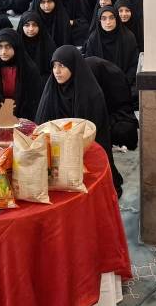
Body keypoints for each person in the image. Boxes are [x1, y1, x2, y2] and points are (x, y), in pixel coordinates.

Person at [36, 46, 122, 196]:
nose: (57, 71)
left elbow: (95, 135)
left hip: (85, 150)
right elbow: (42, 125)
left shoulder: (92, 94)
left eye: (62, 66)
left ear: (74, 66)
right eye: (54, 66)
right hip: (55, 152)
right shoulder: (51, 90)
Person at [0, 29, 41, 121]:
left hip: (24, 115)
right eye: (0, 47)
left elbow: (34, 100)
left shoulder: (29, 69)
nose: (3, 52)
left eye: (8, 47)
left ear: (16, 47)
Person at [86, 56, 140, 150]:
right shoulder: (82, 82)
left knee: (123, 130)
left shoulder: (114, 79)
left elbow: (123, 108)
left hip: (116, 115)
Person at [83, 6, 140, 93]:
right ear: (99, 21)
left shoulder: (128, 37)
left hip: (124, 85)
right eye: (104, 19)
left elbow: (134, 64)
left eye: (111, 18)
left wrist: (123, 82)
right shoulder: (93, 39)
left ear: (116, 19)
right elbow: (90, 65)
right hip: (100, 86)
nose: (108, 22)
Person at [16, 10, 57, 89]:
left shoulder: (48, 44)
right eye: (27, 25)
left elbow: (52, 71)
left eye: (34, 25)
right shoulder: (16, 44)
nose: (31, 29)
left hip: (43, 83)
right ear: (21, 26)